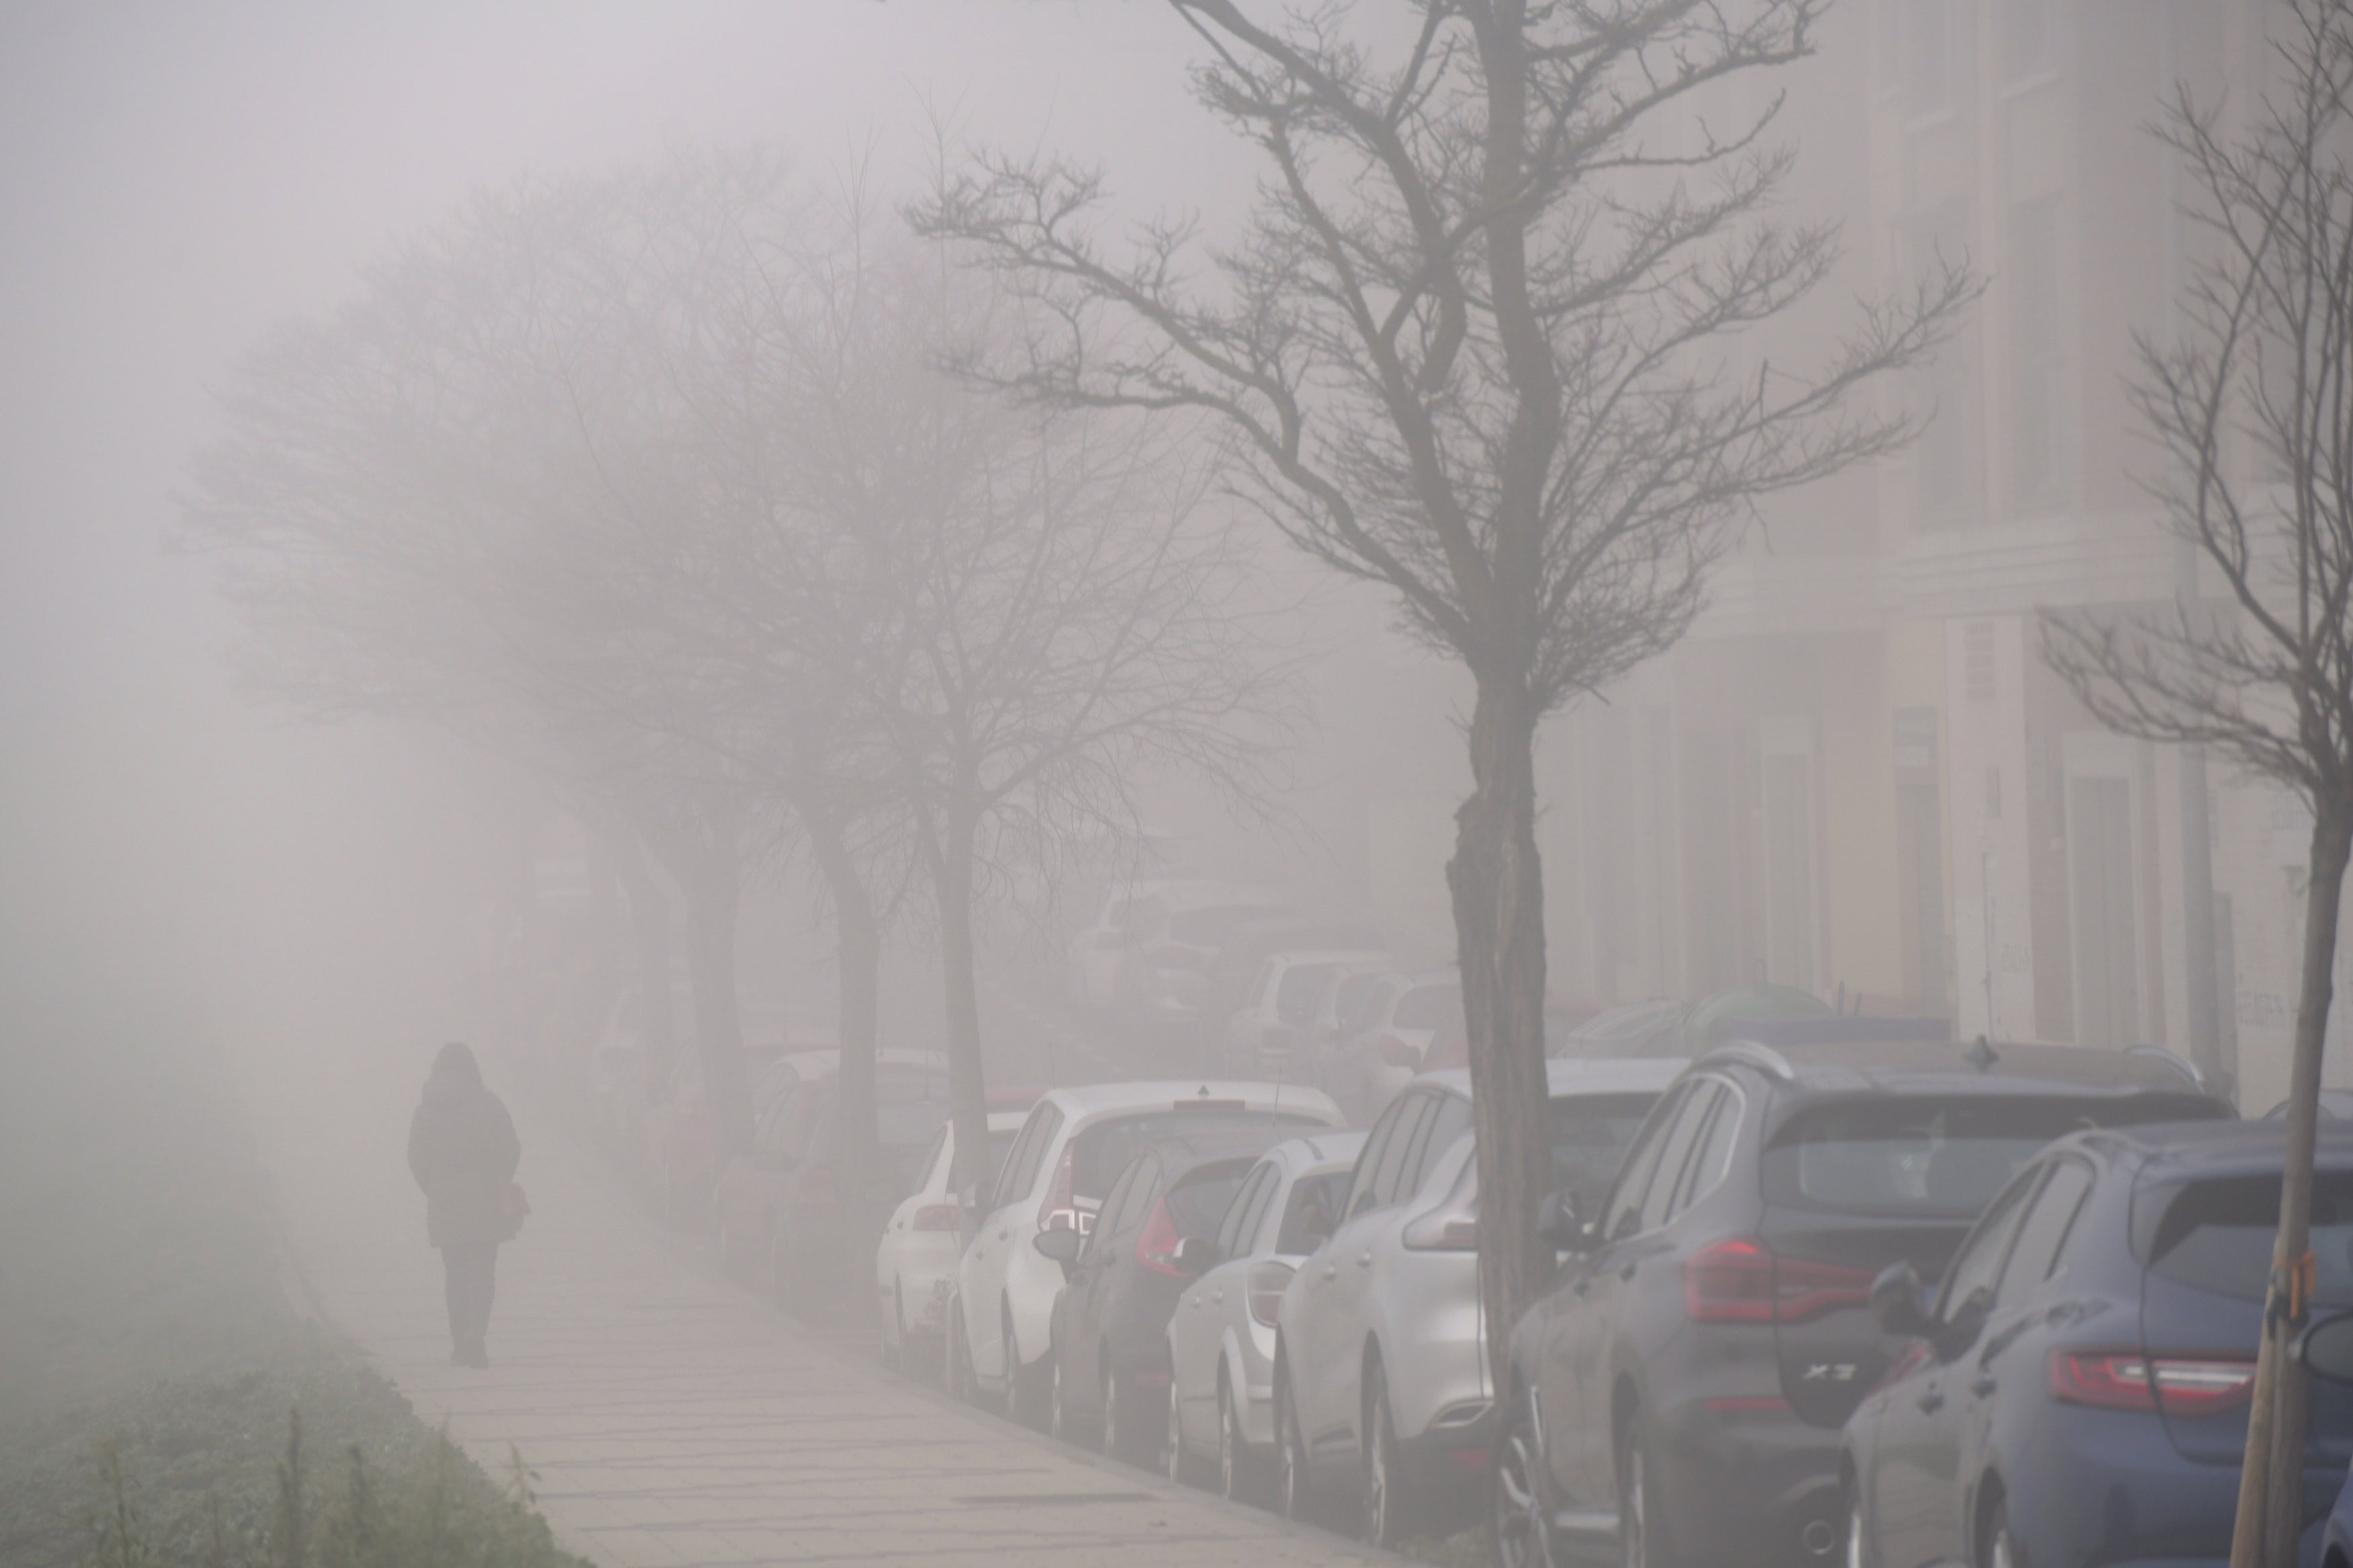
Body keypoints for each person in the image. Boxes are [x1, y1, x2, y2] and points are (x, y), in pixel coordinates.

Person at [407, 1041, 521, 1367]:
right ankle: (477, 1341)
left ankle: (459, 1342)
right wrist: (500, 1177)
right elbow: (511, 1147)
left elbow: (416, 1156)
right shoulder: (490, 1104)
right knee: (483, 1273)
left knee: (454, 1273)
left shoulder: (426, 1110)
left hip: (445, 1200)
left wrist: (433, 1187)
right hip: (485, 1200)